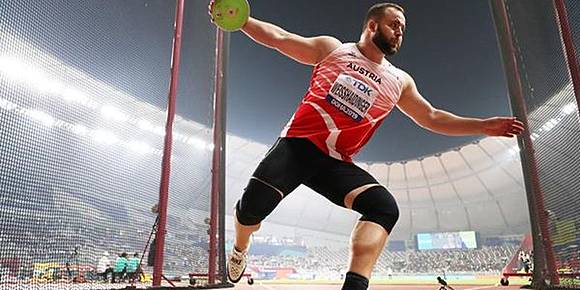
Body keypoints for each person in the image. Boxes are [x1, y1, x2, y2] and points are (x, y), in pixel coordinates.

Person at [208, 2, 525, 289]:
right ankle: (240, 247)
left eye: (402, 28)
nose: (400, 31)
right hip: (296, 147)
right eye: (394, 24)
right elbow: (280, 38)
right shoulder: (333, 49)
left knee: (384, 207)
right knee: (249, 212)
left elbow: (431, 117)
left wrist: (483, 125)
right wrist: (242, 21)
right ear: (372, 25)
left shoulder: (400, 81)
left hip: (334, 163)